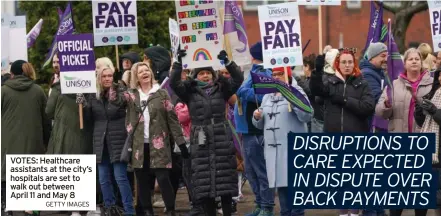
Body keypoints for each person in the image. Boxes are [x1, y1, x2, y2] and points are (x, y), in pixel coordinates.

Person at [170, 49, 243, 216]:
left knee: (224, 181)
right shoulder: (189, 91)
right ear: (196, 76)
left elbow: (238, 79)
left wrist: (228, 62)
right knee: (204, 182)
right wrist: (178, 63)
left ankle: (226, 212)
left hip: (221, 138)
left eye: (207, 73)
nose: (205, 76)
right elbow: (174, 84)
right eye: (201, 73)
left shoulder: (222, 88)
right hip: (200, 138)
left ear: (212, 74)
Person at [310, 48, 375, 216]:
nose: (347, 65)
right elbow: (316, 92)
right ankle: (343, 212)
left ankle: (354, 212)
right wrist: (316, 72)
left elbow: (368, 107)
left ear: (354, 64)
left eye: (350, 62)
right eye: (344, 62)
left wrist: (345, 100)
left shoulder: (362, 83)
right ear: (338, 64)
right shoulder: (331, 82)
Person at [123, 62, 189, 216]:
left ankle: (171, 210)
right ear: (136, 77)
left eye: (147, 70)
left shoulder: (161, 93)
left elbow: (172, 120)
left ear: (151, 73)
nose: (145, 73)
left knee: (163, 178)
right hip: (139, 145)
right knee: (142, 181)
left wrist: (181, 142)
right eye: (141, 72)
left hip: (159, 144)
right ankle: (147, 210)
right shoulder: (132, 96)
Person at [252, 66, 312, 216]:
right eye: (274, 74)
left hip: (292, 151)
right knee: (283, 195)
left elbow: (307, 116)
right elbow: (261, 125)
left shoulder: (297, 91)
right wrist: (256, 117)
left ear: (288, 74)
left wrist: (293, 98)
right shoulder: (267, 96)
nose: (277, 77)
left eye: (280, 73)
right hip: (274, 153)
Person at [80, 57, 135, 216]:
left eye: (110, 76)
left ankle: (129, 210)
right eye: (104, 76)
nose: (107, 79)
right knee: (103, 178)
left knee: (120, 177)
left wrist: (115, 96)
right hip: (100, 140)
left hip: (118, 139)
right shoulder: (93, 94)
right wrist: (83, 104)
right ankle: (110, 209)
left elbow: (125, 107)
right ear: (98, 78)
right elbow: (89, 119)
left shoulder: (120, 92)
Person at [1, 60, 52, 216]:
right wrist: (47, 139)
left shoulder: (3, 91)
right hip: (33, 140)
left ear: (12, 74)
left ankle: (6, 204)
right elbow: (46, 118)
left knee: (6, 172)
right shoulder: (38, 91)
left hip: (8, 140)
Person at [234, 42, 275, 216]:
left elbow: (263, 94)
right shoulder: (254, 72)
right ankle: (259, 204)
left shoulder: (263, 72)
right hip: (246, 130)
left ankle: (267, 206)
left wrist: (244, 90)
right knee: (251, 172)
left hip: (255, 130)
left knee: (260, 172)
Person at [46, 71, 94, 216]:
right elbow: (92, 111)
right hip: (83, 132)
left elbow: (48, 112)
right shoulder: (89, 86)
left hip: (62, 132)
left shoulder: (57, 88)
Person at [376, 48, 433, 134]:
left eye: (417, 59)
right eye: (410, 59)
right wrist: (386, 105)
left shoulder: (432, 84)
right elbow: (379, 112)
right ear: (405, 64)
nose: (414, 61)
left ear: (421, 63)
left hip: (423, 138)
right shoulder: (393, 85)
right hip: (399, 138)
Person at [415, 70, 441, 216]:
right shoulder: (434, 93)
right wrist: (419, 113)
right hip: (429, 150)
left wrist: (435, 111)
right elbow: (423, 123)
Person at [360, 42, 389, 134]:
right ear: (372, 57)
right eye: (383, 56)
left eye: (387, 56)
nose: (386, 59)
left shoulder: (380, 73)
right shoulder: (367, 74)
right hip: (372, 124)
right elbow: (376, 97)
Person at [295, 53, 319, 132]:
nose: (303, 69)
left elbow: (309, 91)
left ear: (307, 66)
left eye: (303, 67)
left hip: (314, 119)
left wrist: (297, 79)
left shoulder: (314, 80)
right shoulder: (307, 79)